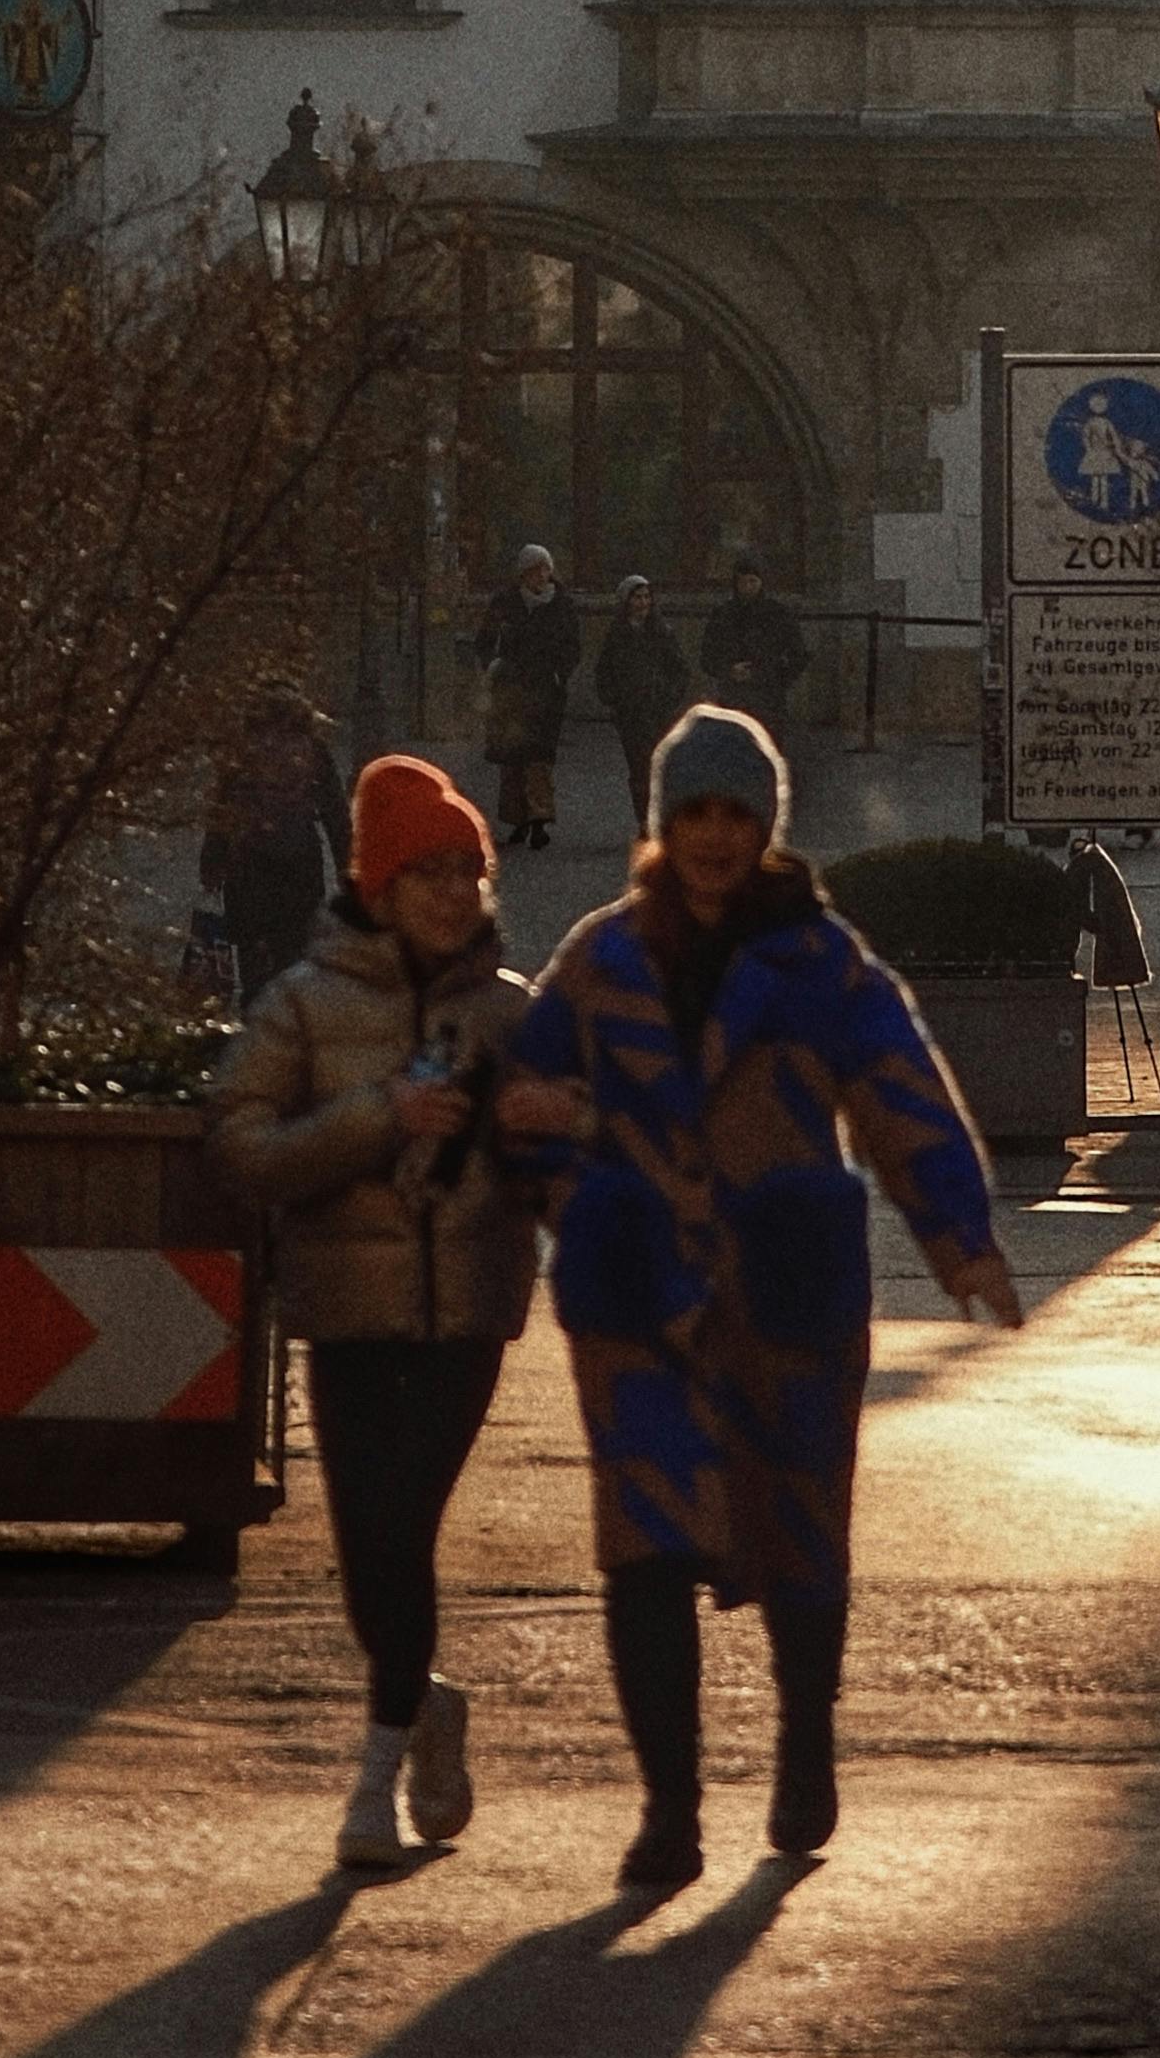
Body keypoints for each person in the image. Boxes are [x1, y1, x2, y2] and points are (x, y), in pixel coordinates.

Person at [511, 701, 1019, 1903]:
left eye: (737, 812)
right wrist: (580, 1196)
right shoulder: (600, 958)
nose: (715, 835)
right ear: (662, 821)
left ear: (766, 823)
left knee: (800, 1538)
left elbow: (904, 1096)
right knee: (641, 1551)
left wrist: (963, 1242)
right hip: (638, 1296)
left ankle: (802, 1746)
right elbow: (521, 1099)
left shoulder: (821, 960)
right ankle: (669, 1811)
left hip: (784, 1293)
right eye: (695, 811)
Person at [210, 752, 557, 1875]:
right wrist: (377, 1113)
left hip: (469, 1308)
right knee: (371, 1548)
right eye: (428, 870)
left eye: (468, 868)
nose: (454, 891)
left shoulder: (511, 1010)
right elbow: (240, 1146)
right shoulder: (304, 1004)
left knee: (402, 1524)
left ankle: (373, 1781)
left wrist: (547, 1121)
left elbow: (582, 1143)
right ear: (378, 879)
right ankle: (425, 1703)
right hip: (346, 1308)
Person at [196, 687, 343, 999]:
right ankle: (292, 1025)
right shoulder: (313, 752)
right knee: (297, 961)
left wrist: (212, 862)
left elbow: (223, 811)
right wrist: (348, 869)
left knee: (253, 963)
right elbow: (336, 815)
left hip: (248, 871)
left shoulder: (242, 752)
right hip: (300, 869)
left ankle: (256, 1028)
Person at [475, 546, 582, 858]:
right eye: (535, 570)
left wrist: (560, 673)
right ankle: (516, 819)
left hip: (545, 690)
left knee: (539, 757)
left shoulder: (561, 605)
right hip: (510, 690)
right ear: (523, 574)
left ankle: (539, 820)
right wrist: (493, 665)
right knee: (511, 758)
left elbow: (572, 646)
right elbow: (485, 640)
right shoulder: (505, 603)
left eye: (545, 569)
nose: (541, 576)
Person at [593, 573, 692, 828]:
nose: (643, 603)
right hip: (630, 713)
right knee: (639, 769)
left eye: (646, 597)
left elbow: (680, 669)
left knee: (660, 766)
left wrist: (668, 696)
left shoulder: (661, 632)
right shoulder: (617, 635)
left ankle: (661, 818)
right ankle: (645, 821)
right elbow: (604, 672)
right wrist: (615, 699)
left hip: (658, 711)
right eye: (637, 597)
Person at [696, 555, 811, 751]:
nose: (748, 587)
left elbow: (798, 654)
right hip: (733, 696)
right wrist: (728, 670)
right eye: (743, 582)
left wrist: (774, 677)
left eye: (753, 581)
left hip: (768, 697)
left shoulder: (778, 614)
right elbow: (707, 655)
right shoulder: (723, 615)